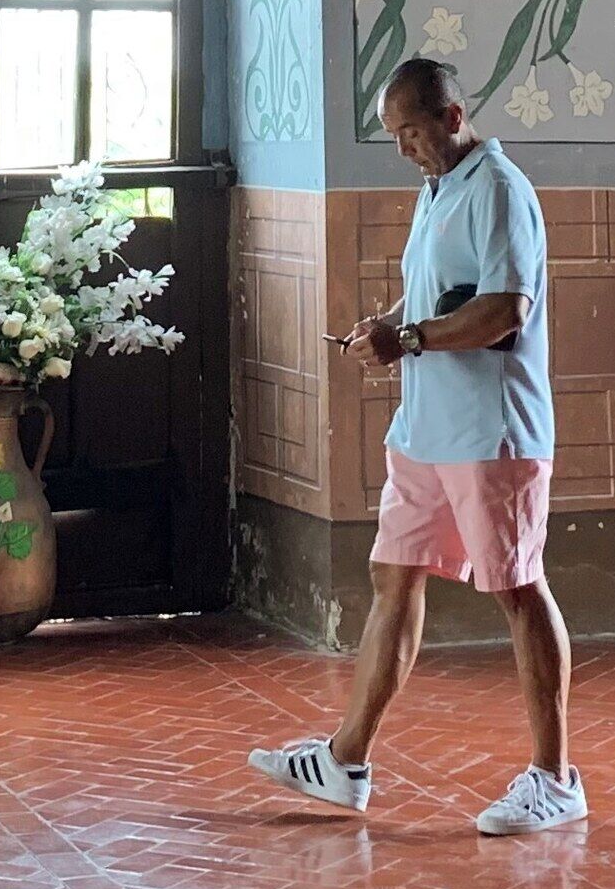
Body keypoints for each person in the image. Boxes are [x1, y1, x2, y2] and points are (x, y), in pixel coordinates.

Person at [248, 56, 585, 835]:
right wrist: (390, 327)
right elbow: (437, 296)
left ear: (453, 118)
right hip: (427, 430)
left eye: (410, 132)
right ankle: (346, 761)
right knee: (392, 575)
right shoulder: (438, 189)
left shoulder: (499, 191)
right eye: (393, 134)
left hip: (492, 431)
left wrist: (411, 337)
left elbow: (504, 310)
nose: (401, 148)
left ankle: (555, 778)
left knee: (517, 588)